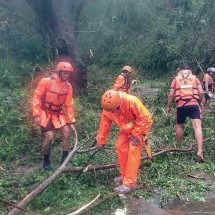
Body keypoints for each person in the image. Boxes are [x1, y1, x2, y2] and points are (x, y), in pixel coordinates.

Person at [96, 90, 153, 194]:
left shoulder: (131, 101)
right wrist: (101, 140)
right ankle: (125, 175)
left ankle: (130, 183)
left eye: (114, 110)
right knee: (120, 146)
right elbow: (105, 124)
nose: (112, 112)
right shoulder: (108, 108)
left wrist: (136, 134)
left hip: (142, 125)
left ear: (118, 103)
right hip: (127, 126)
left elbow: (144, 117)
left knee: (133, 149)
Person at [33, 61, 76, 170]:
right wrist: (36, 114)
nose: (67, 75)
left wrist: (70, 121)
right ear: (59, 72)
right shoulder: (46, 81)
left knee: (66, 133)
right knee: (50, 137)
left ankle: (65, 158)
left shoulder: (68, 86)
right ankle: (46, 159)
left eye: (68, 73)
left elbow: (69, 104)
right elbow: (37, 97)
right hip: (45, 113)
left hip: (58, 113)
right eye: (65, 73)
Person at [167, 64, 204, 160]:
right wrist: (199, 103)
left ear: (180, 70)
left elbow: (171, 95)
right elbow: (201, 92)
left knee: (179, 126)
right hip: (194, 105)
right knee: (197, 127)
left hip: (181, 105)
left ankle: (180, 148)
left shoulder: (175, 79)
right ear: (189, 70)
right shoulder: (195, 78)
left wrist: (168, 106)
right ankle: (200, 151)